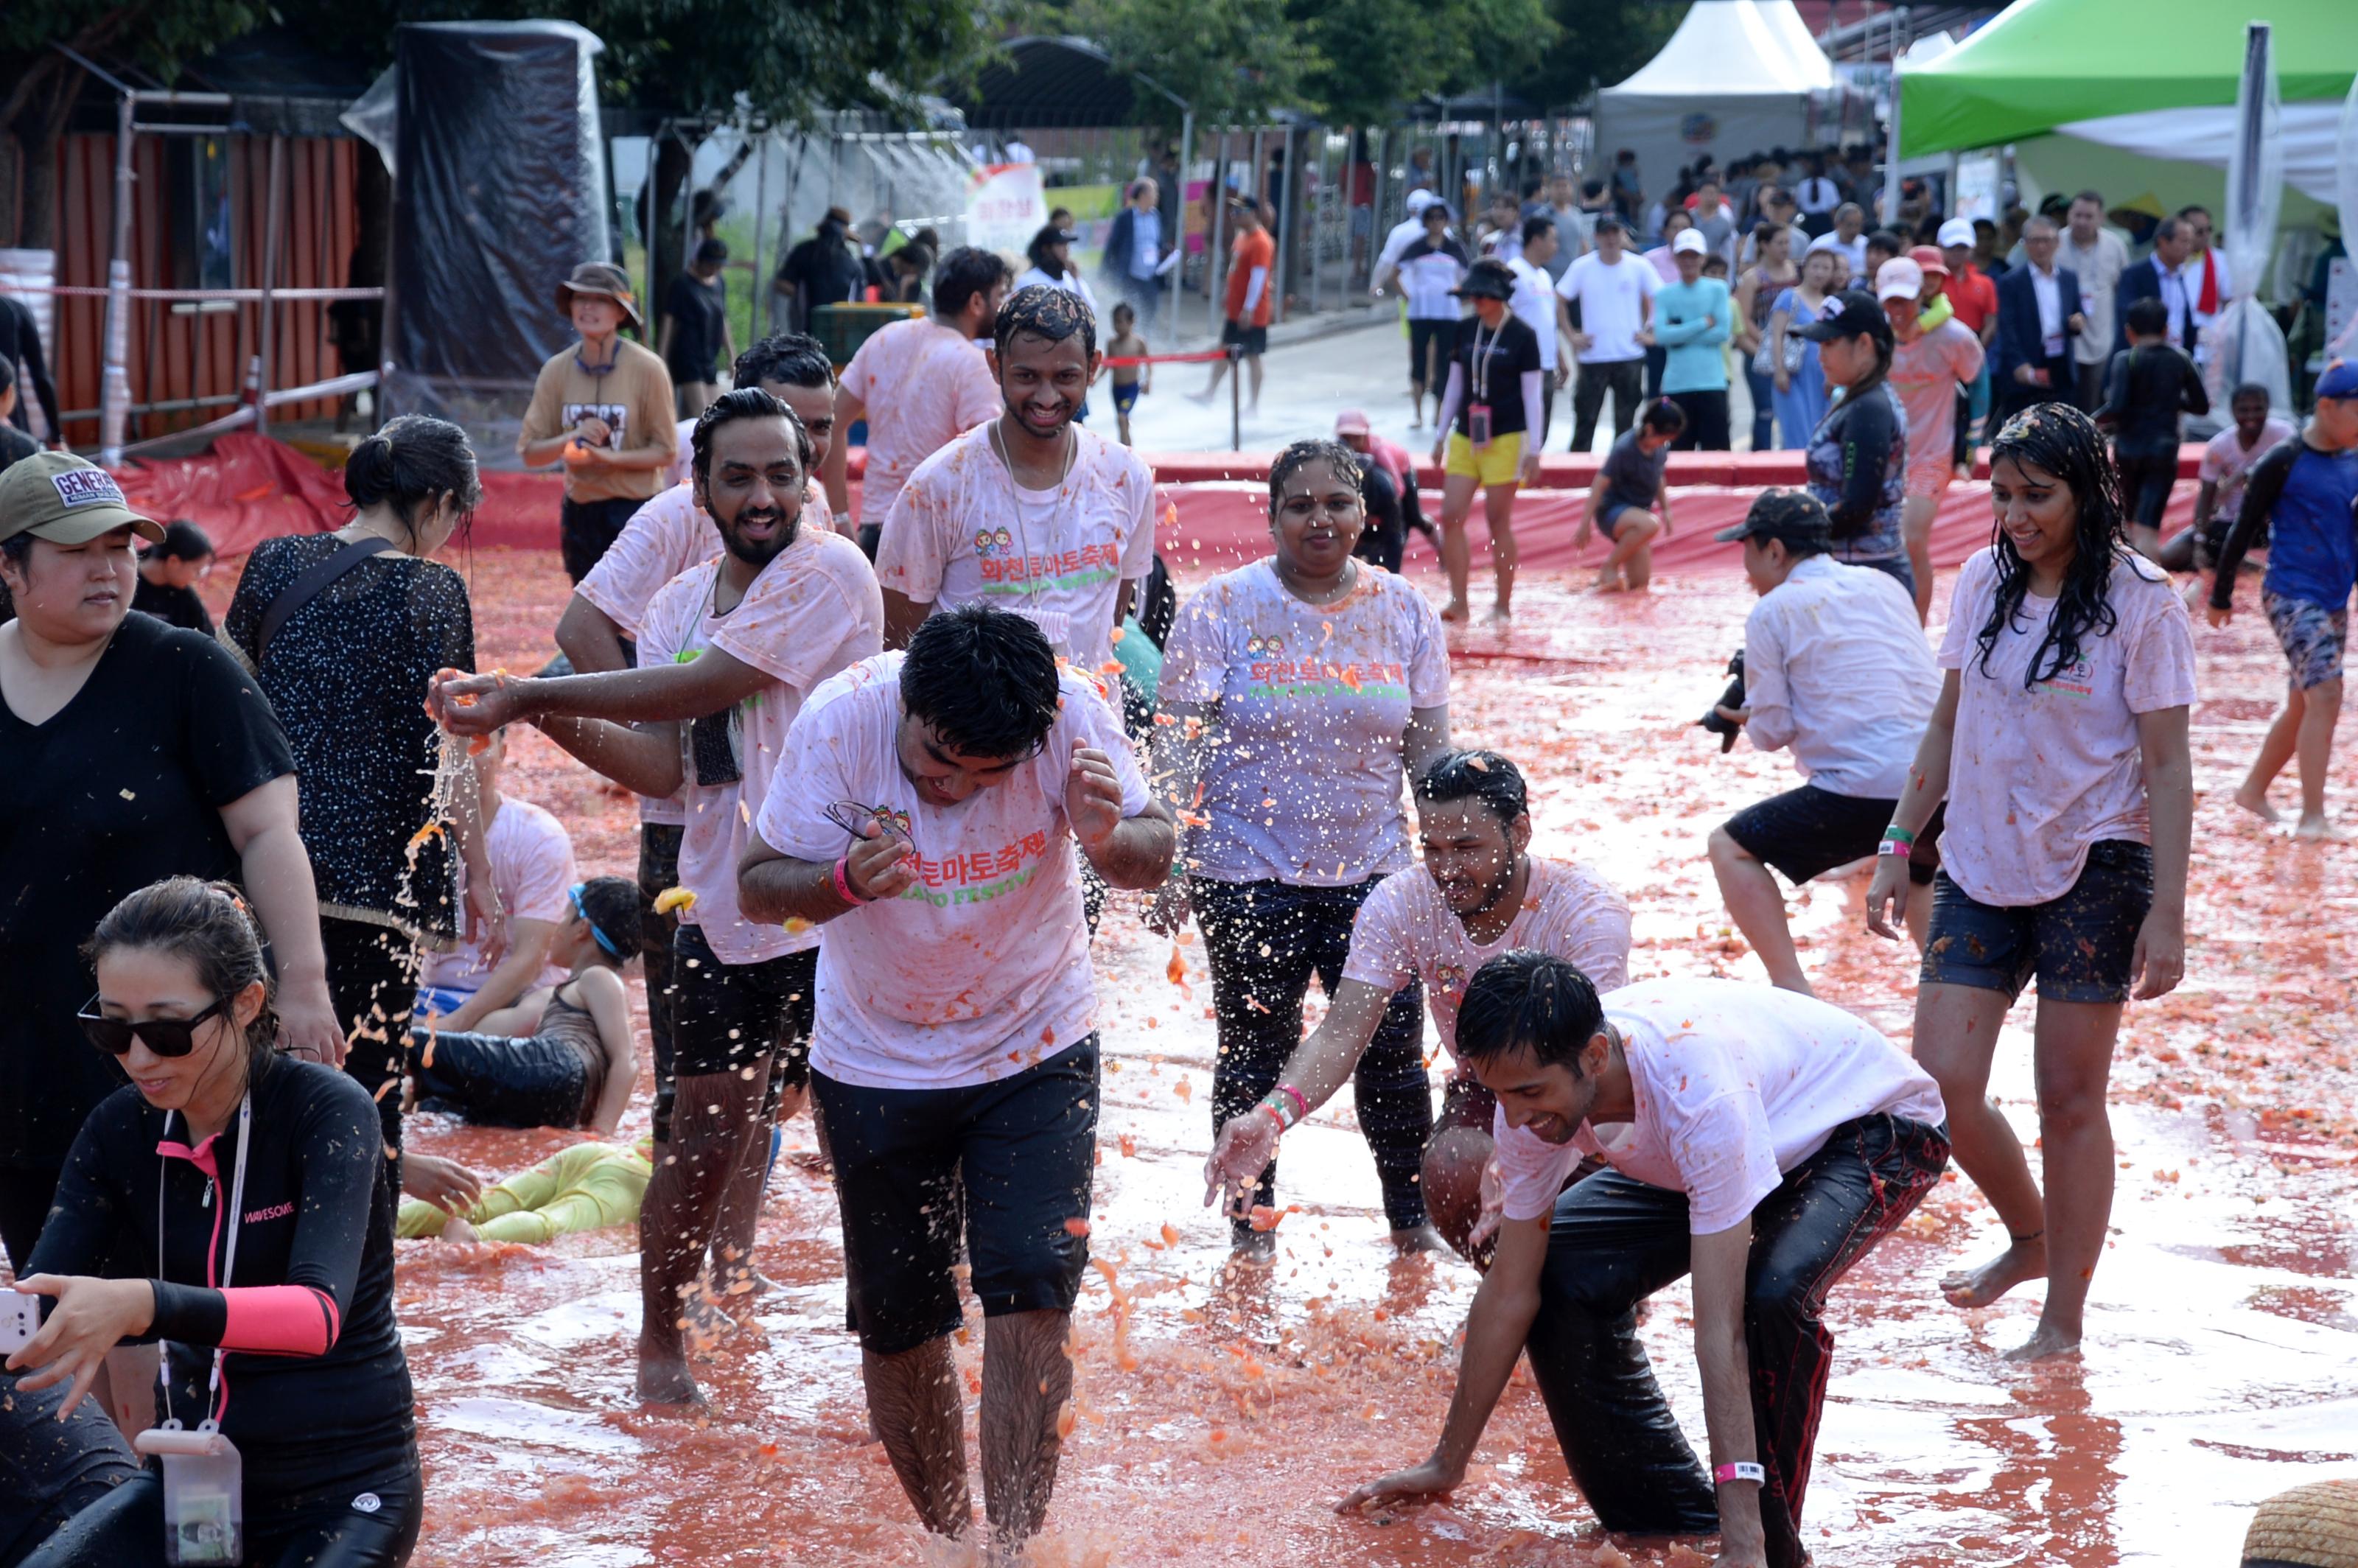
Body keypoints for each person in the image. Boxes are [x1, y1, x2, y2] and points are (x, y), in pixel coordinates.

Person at [434, 389, 883, 1403]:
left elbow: (701, 689)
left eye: (783, 472)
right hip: (727, 906)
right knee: (700, 1136)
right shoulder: (677, 604)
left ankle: (886, 1348)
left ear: (810, 478)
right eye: (740, 476)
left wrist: (534, 692)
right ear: (701, 488)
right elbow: (662, 769)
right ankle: (660, 1350)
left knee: (869, 1136)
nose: (765, 495)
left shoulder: (831, 569)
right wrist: (528, 719)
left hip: (846, 904)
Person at [738, 606, 1172, 1561]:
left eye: (989, 778)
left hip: (1038, 1041)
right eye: (939, 763)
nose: (955, 791)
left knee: (1033, 1293)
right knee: (900, 1325)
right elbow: (757, 884)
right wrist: (843, 882)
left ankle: (1010, 1554)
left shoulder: (1074, 714)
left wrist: (1108, 842)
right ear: (908, 702)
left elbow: (1156, 847)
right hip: (873, 1061)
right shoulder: (840, 721)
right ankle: (949, 1540)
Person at [1338, 956, 1949, 1568]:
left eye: (1530, 1093)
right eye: (1502, 1095)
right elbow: (1509, 1290)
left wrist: (1746, 1543)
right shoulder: (1525, 1100)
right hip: (1742, 1136)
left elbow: (1719, 1333)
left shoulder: (1698, 1097)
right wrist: (1447, 1463)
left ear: (1596, 1057)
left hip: (1868, 1131)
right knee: (1560, 1268)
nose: (1517, 1119)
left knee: (1769, 1294)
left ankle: (1767, 1545)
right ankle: (1668, 1518)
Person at [1867, 402, 2193, 1362]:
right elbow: (1946, 722)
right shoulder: (1980, 580)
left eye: (2037, 496)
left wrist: (2168, 914)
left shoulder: (2145, 600)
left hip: (2098, 859)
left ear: (2087, 495)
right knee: (1940, 1080)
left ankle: (2063, 1323)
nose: (2014, 515)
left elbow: (2170, 767)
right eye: (2002, 494)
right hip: (1977, 855)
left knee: (2069, 1098)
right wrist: (1897, 845)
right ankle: (2031, 1234)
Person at [11, 877, 421, 1566]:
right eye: (112, 1028)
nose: (138, 1059)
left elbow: (316, 1316)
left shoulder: (326, 1111)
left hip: (342, 1490)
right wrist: (19, 1325)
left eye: (167, 1031)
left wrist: (143, 1303)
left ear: (246, 1002)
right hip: (192, 1485)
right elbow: (37, 1310)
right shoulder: (119, 1129)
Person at [0, 455, 340, 1272]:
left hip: (168, 1043)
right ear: (9, 566)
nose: (108, 569)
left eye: (121, 547)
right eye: (79, 551)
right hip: (19, 1050)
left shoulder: (186, 669)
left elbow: (269, 834)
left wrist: (303, 984)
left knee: (182, 1280)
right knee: (53, 1279)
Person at [1150, 439, 1453, 1257]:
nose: (1319, 519)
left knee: (1392, 1053)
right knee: (1255, 1043)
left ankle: (1411, 1220)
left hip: (1376, 872)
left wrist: (1449, 862)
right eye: (1300, 505)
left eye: (1336, 504)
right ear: (1272, 514)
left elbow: (1429, 755)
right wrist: (1169, 854)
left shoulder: (1405, 611)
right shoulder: (1219, 608)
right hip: (1245, 867)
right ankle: (1250, 1224)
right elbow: (1178, 743)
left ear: (1364, 514)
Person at [553, 334, 842, 1159]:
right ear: (709, 462)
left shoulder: (814, 523)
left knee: (796, 1073)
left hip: (793, 832)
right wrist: (664, 738)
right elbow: (581, 624)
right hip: (689, 830)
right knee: (697, 1078)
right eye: (793, 421)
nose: (808, 448)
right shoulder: (672, 521)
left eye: (816, 432)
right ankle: (702, 1256)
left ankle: (741, 1264)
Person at [1200, 752, 1629, 1265]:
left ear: (1519, 833)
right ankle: (1513, 1302)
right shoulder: (1402, 902)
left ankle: (1575, 1299)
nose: (1448, 871)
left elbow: (1596, 1066)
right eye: (1433, 848)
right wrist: (1271, 1116)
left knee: (1594, 1277)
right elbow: (1342, 1034)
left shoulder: (1585, 909)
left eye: (1468, 848)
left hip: (1585, 1096)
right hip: (1489, 1086)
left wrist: (1532, 1162)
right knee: (1452, 1169)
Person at [223, 416, 491, 1215]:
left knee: (253, 1089)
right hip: (382, 891)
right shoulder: (433, 590)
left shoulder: (272, 560)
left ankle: (248, 1273)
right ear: (440, 502)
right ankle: (356, 1298)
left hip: (266, 874)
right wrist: (479, 872)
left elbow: (227, 705)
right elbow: (455, 748)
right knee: (364, 1095)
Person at [1706, 490, 1944, 994]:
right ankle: (1947, 987)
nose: (1745, 570)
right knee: (1921, 871)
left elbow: (1771, 734)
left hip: (1865, 791)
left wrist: (1741, 716)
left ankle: (1795, 990)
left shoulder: (1773, 611)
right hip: (1941, 784)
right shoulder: (1885, 585)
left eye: (1746, 551)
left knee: (1729, 846)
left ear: (1773, 550)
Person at [877, 286, 1155, 662]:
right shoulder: (939, 486)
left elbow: (1111, 621)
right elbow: (895, 647)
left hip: (1093, 716)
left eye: (1065, 377)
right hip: (968, 720)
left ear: (1094, 367)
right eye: (1026, 376)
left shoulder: (1127, 477)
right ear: (995, 365)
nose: (1046, 396)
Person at [2205, 362, 2358, 838]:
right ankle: (2313, 815)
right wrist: (2221, 594)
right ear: (2328, 407)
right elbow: (2243, 527)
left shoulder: (2353, 459)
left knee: (2303, 703)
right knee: (2327, 693)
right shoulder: (2283, 460)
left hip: (2333, 593)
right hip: (2291, 592)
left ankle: (2253, 790)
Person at [405, 875, 640, 1137]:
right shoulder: (570, 990)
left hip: (555, 1068)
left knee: (412, 1043)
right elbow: (488, 1035)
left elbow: (625, 1059)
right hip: (554, 1096)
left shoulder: (599, 977)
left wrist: (602, 1134)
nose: (556, 927)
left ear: (582, 929)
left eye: (564, 916)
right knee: (443, 1101)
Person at [825, 245, 1009, 553]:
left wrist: (841, 516)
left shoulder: (885, 338)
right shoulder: (973, 363)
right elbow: (987, 462)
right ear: (977, 302)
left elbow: (830, 423)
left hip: (876, 530)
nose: (1003, 306)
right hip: (937, 536)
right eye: (1000, 296)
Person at [516, 262, 678, 584]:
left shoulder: (648, 369)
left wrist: (607, 458)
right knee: (586, 608)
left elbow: (666, 451)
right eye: (580, 298)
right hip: (580, 510)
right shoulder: (556, 370)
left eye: (600, 300)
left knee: (632, 614)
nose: (588, 307)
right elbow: (530, 452)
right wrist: (571, 437)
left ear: (620, 312)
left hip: (634, 510)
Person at [410, 727, 578, 1032]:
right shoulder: (410, 834)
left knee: (540, 1010)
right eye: (448, 747)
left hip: (510, 1005)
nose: (462, 761)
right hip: (424, 997)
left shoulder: (539, 835)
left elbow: (531, 959)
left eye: (477, 745)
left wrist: (455, 1024)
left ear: (503, 753)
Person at [1429, 259, 1546, 622]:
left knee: (1498, 520)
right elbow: (1454, 385)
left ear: (1500, 297)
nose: (1476, 301)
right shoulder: (1464, 330)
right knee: (1451, 516)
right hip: (1466, 435)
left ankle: (1502, 604)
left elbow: (1533, 395)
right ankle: (1459, 601)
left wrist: (1535, 450)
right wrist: (1440, 434)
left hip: (1507, 436)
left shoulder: (1523, 335)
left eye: (1483, 295)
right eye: (1473, 295)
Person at [1879, 256, 1986, 621]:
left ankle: (1916, 627)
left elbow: (1979, 378)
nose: (1898, 310)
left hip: (1932, 455)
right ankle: (1889, 624)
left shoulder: (1952, 336)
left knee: (1912, 539)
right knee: (1882, 545)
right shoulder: (1873, 338)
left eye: (1904, 300)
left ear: (1919, 293)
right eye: (1890, 301)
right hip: (1886, 456)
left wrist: (1972, 441)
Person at [1797, 290, 1911, 595]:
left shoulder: (1868, 408)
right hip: (1860, 571)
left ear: (1864, 345)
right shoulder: (1862, 399)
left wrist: (1791, 532)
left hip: (1864, 577)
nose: (1820, 356)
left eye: (1830, 343)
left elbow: (1857, 506)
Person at [2096, 296, 2208, 560]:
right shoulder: (2180, 359)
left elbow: (2117, 407)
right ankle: (2149, 585)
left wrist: (2087, 421)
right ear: (2166, 330)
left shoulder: (2126, 359)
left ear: (2129, 332)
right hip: (2162, 450)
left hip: (2127, 450)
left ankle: (2132, 580)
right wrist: (2172, 401)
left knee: (2131, 521)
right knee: (2148, 524)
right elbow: (2201, 406)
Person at [396, 1140, 650, 1245]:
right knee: (549, 1222)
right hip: (634, 1180)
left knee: (491, 1200)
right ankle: (474, 1237)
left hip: (597, 1151)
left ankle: (391, 1222)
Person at [2162, 382, 2294, 574]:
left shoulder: (2284, 435)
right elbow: (2206, 496)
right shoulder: (2219, 446)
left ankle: (2236, 559)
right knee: (2170, 556)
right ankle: (2234, 559)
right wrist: (2200, 541)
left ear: (2268, 409)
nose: (2251, 416)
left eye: (2258, 409)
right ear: (2232, 411)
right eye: (2244, 410)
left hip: (2275, 521)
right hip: (2234, 522)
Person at [1556, 214, 1658, 452]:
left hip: (1629, 355)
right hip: (1593, 356)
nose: (1611, 238)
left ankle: (1621, 474)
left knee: (1626, 423)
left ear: (1622, 234)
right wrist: (1571, 335)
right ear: (1597, 237)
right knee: (1585, 420)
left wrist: (1650, 329)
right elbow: (1559, 299)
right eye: (1606, 233)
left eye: (1616, 232)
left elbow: (1659, 298)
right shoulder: (1582, 267)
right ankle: (1577, 475)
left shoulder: (1638, 266)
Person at [1374, 200, 1469, 430]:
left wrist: (1459, 293)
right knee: (1419, 361)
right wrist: (1409, 296)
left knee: (1446, 362)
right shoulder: (1416, 247)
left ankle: (1439, 413)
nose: (1436, 223)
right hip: (1420, 311)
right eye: (1432, 218)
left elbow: (1466, 275)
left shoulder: (1454, 248)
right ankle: (1418, 413)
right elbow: (1395, 273)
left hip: (1447, 312)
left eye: (1440, 218)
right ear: (1425, 222)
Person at [1992, 216, 2086, 425]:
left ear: (2057, 243)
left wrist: (2078, 322)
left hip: (2060, 362)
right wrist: (2018, 364)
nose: (2041, 247)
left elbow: (2078, 311)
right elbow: (2007, 328)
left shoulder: (2068, 278)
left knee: (2061, 425)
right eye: (2035, 241)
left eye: (2047, 240)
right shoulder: (2011, 282)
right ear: (2025, 244)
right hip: (2027, 361)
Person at [1583, 397, 1683, 592]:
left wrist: (1667, 509)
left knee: (1639, 585)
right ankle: (1609, 566)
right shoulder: (1625, 449)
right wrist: (1584, 524)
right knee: (1651, 524)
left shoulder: (1659, 449)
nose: (1664, 444)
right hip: (1613, 512)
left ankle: (1601, 586)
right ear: (1650, 429)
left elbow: (1658, 478)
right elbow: (1599, 484)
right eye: (1663, 439)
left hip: (1637, 518)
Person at [1651, 228, 1732, 451]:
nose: (1688, 261)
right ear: (1675, 258)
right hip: (1677, 384)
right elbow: (1661, 335)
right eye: (1683, 256)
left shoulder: (1718, 289)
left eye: (1693, 256)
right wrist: (1702, 323)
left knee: (1717, 453)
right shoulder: (1665, 294)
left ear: (1703, 258)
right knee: (1678, 453)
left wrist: (1680, 334)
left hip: (1711, 382)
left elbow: (1723, 332)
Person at [1197, 200, 1276, 415]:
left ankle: (1253, 405)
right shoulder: (1242, 238)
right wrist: (1227, 292)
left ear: (1254, 213)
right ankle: (1209, 392)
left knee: (1253, 355)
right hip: (1236, 308)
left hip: (1251, 312)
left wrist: (1249, 308)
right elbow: (1235, 268)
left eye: (1240, 212)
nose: (1235, 215)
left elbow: (1259, 278)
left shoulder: (1261, 242)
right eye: (1233, 211)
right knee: (1225, 349)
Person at [2054, 192, 2131, 411]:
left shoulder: (2115, 246)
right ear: (2069, 215)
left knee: (2094, 402)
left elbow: (2122, 291)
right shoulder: (2054, 242)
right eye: (2077, 215)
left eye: (2089, 216)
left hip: (2102, 337)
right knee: (2063, 402)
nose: (2082, 221)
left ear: (2101, 218)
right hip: (2063, 337)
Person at [1734, 223, 1799, 450]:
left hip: (1794, 353)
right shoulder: (1753, 278)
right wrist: (1770, 342)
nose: (1785, 248)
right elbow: (1743, 319)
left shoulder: (1796, 272)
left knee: (1793, 411)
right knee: (1765, 412)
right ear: (1764, 245)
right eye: (1780, 243)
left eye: (1787, 242)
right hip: (1760, 353)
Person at [1764, 242, 1836, 448]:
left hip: (1822, 376)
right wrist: (1779, 370)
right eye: (1815, 266)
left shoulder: (1830, 302)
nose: (1820, 272)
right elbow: (1776, 335)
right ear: (1804, 268)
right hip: (1793, 374)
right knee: (1796, 434)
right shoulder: (1789, 297)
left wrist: (1834, 376)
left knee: (1820, 434)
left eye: (1826, 268)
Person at [1337, 408, 1437, 555]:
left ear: (1366, 435)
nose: (1352, 444)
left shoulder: (1380, 452)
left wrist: (1386, 511)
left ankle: (1440, 546)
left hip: (1403, 474)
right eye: (1347, 438)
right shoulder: (1339, 452)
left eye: (1356, 438)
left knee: (1413, 518)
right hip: (1373, 489)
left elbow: (1398, 487)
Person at [660, 238, 735, 419]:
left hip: (710, 354)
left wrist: (732, 355)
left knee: (713, 412)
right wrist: (661, 358)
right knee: (701, 414)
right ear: (700, 261)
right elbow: (668, 322)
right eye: (711, 265)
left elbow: (722, 319)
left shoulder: (719, 283)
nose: (715, 270)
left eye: (719, 266)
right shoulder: (682, 284)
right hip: (688, 356)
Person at [1938, 218, 2000, 438]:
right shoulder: (1932, 282)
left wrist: (1974, 352)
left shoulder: (1985, 283)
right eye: (1952, 247)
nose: (1957, 252)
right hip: (1938, 357)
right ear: (1940, 247)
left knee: (1974, 411)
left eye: (1963, 247)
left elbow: (1991, 322)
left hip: (1974, 353)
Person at [1505, 216, 1561, 441]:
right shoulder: (1513, 272)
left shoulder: (1544, 276)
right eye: (1553, 240)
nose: (1556, 246)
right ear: (1537, 240)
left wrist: (1560, 358)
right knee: (1522, 429)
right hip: (1522, 364)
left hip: (1546, 363)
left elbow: (1547, 321)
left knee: (1541, 429)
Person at [772, 206, 866, 335]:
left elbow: (781, 284)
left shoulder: (804, 251)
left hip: (806, 332)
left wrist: (803, 292)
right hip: (842, 336)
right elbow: (860, 301)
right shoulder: (853, 262)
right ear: (845, 236)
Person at [2113, 216, 2196, 359]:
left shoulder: (2182, 276)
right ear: (2163, 242)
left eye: (2190, 242)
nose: (2189, 248)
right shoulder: (2135, 274)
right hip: (2143, 361)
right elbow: (2126, 317)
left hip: (2177, 360)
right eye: (2184, 241)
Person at [1099, 178, 1169, 331]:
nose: (1157, 196)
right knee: (1130, 314)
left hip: (1152, 276)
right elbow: (1113, 245)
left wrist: (1163, 253)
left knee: (1150, 313)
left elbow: (1157, 243)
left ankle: (1145, 343)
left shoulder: (1156, 216)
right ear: (1143, 195)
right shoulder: (1126, 218)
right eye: (1153, 192)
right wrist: (1104, 272)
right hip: (1131, 276)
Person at [130, 518, 215, 635]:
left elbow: (208, 643)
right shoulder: (125, 582)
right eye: (197, 570)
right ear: (174, 562)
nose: (197, 577)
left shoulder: (185, 598)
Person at [2177, 205, 2232, 372]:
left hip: (2210, 347)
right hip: (2177, 343)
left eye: (2209, 230)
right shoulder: (2172, 261)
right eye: (2200, 231)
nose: (2206, 235)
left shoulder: (2221, 261)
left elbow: (2231, 303)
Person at [0, 292, 58, 444]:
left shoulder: (13, 310)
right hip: (11, 428)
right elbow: (41, 377)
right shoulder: (13, 309)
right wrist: (57, 437)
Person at [1102, 299, 1150, 447]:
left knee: (1122, 418)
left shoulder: (1138, 343)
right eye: (1114, 322)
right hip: (1116, 389)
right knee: (1122, 422)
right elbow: (1107, 365)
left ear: (1131, 322)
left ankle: (1128, 453)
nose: (1117, 326)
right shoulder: (1111, 343)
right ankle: (1125, 448)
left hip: (1131, 389)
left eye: (1120, 322)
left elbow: (1148, 362)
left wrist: (1148, 381)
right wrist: (1096, 378)